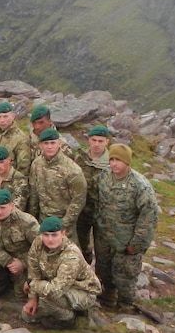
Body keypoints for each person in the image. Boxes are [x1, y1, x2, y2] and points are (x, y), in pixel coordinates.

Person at [93, 143, 159, 312]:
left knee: (125, 276)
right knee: (103, 269)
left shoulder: (140, 186)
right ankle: (107, 297)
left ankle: (125, 306)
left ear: (127, 162)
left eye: (119, 160)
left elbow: (148, 218)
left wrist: (136, 244)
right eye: (112, 159)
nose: (114, 163)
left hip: (126, 241)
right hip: (104, 237)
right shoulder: (104, 177)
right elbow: (97, 201)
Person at [21, 216, 102, 329]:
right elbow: (34, 271)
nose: (50, 239)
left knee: (47, 298)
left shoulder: (71, 256)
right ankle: (69, 309)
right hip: (56, 285)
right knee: (27, 316)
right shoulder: (38, 243)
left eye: (54, 235)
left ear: (63, 233)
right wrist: (32, 298)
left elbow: (55, 291)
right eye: (46, 235)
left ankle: (68, 319)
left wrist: (31, 284)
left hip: (83, 291)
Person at [27, 128, 87, 232]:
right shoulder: (36, 164)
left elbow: (78, 200)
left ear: (59, 143)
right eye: (46, 143)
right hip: (43, 219)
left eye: (53, 143)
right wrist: (33, 217)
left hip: (63, 222)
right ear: (41, 145)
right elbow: (34, 193)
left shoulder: (72, 169)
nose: (49, 147)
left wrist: (65, 224)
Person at [73, 124, 111, 263]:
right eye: (94, 140)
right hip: (82, 211)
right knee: (81, 246)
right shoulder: (80, 158)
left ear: (107, 141)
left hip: (102, 213)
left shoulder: (112, 163)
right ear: (88, 140)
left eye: (100, 141)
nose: (96, 144)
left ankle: (101, 277)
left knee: (103, 251)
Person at [0, 101, 32, 176]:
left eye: (5, 116)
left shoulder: (20, 138)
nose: (2, 120)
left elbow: (23, 167)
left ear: (13, 116)